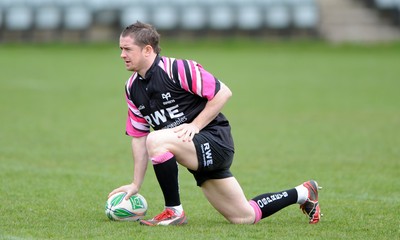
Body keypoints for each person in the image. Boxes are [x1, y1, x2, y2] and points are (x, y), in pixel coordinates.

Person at [108, 21, 321, 226]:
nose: (122, 55)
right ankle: (303, 192)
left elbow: (223, 92)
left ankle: (174, 211)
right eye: (121, 49)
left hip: (214, 141)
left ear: (147, 50)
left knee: (157, 140)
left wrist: (195, 125)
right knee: (244, 217)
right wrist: (136, 184)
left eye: (127, 49)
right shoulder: (131, 88)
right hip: (193, 152)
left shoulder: (178, 68)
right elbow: (138, 136)